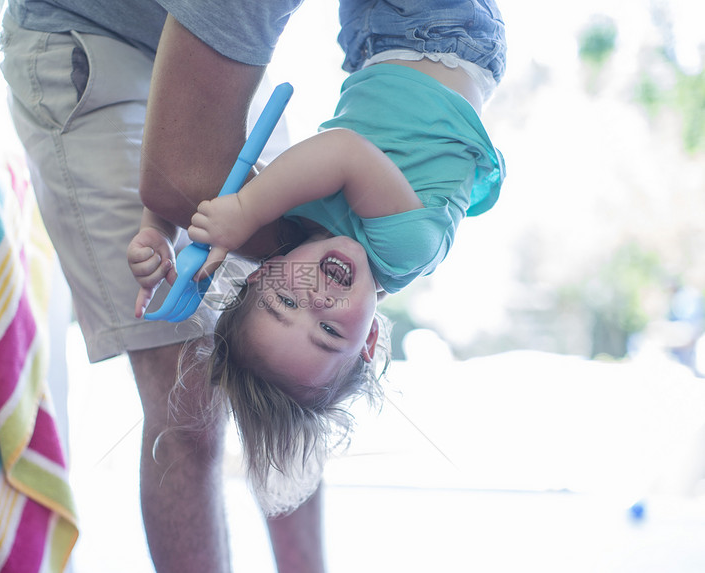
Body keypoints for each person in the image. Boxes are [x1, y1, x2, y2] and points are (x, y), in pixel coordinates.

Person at [130, 0, 507, 515]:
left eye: (285, 299)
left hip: (375, 46)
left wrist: (160, 229)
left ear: (264, 272)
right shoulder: (404, 252)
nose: (318, 301)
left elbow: (206, 190)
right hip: (441, 33)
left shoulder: (305, 230)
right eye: (331, 333)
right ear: (371, 340)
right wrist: (242, 210)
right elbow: (343, 151)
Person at [0, 1, 327, 571]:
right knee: (188, 402)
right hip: (99, 41)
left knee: (294, 373)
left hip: (225, 54)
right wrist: (159, 226)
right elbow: (174, 181)